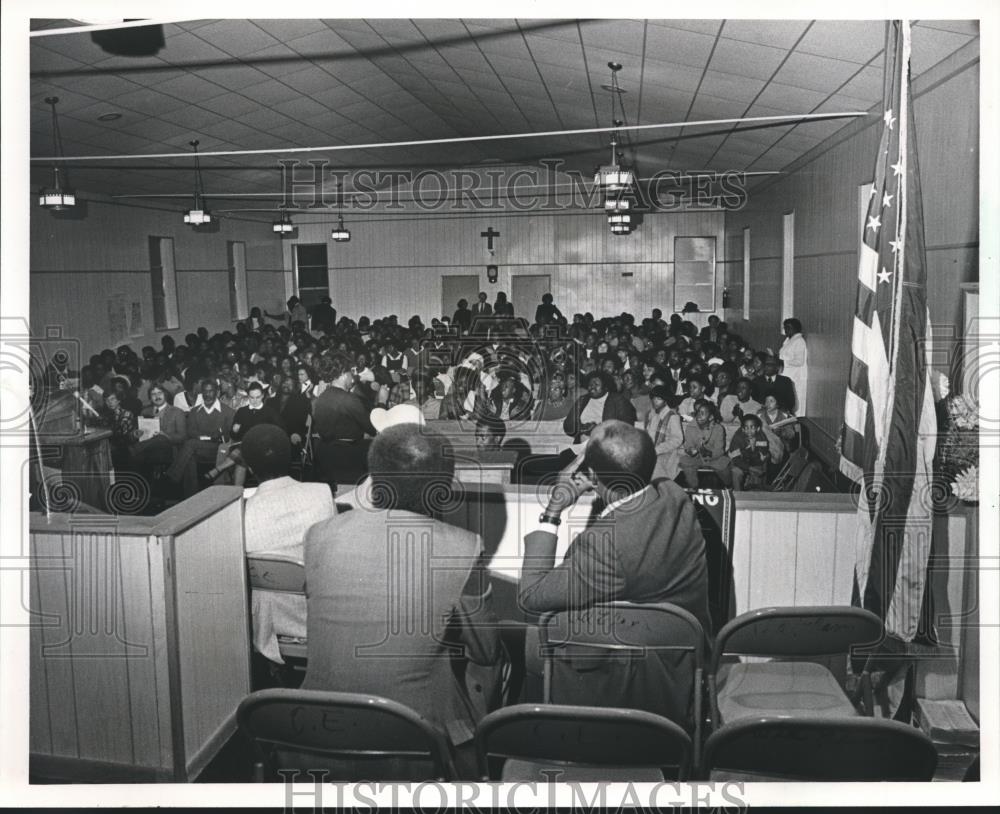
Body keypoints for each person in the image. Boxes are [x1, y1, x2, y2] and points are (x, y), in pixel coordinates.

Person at [301, 425, 504, 773]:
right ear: (441, 490)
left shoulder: (318, 534)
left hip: (312, 731)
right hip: (411, 740)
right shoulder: (464, 545)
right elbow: (486, 650)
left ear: (375, 482)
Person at [518, 420, 712, 724]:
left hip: (638, 681)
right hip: (683, 662)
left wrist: (554, 510)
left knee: (530, 635)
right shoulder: (673, 495)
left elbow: (530, 595)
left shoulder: (606, 547)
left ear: (591, 474)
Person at [242, 424, 336, 665]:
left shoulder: (242, 514)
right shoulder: (322, 493)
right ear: (292, 457)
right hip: (320, 618)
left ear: (249, 467)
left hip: (268, 627)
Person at [165, 379, 236, 497]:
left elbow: (228, 436)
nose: (207, 395)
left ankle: (172, 477)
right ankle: (192, 495)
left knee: (190, 445)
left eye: (210, 391)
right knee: (190, 454)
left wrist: (216, 436)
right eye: (204, 392)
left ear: (217, 392)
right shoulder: (194, 411)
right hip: (198, 448)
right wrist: (208, 436)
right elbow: (191, 432)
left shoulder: (228, 412)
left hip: (218, 450)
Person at [563, 371, 636, 442]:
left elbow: (626, 427)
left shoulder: (618, 400)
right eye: (590, 384)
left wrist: (599, 429)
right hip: (582, 445)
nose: (592, 387)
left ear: (605, 387)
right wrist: (582, 428)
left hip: (607, 444)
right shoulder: (582, 400)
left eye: (596, 384)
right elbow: (568, 427)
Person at [677, 399, 732, 488]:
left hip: (714, 459)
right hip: (697, 458)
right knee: (685, 462)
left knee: (724, 466)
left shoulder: (718, 428)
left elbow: (720, 450)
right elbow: (688, 445)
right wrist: (690, 451)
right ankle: (693, 487)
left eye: (702, 413)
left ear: (710, 417)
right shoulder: (690, 427)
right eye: (697, 413)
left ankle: (728, 486)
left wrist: (709, 453)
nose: (698, 416)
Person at [130, 383, 186, 467]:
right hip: (147, 449)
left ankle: (135, 449)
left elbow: (182, 437)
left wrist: (166, 435)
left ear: (165, 395)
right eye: (153, 394)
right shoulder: (145, 411)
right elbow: (134, 433)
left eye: (160, 393)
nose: (157, 396)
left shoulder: (177, 412)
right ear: (150, 398)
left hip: (168, 449)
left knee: (161, 438)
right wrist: (135, 434)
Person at [728, 414, 780, 491]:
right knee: (736, 472)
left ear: (758, 428)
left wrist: (758, 455)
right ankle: (737, 495)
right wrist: (749, 468)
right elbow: (736, 460)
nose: (749, 430)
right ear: (742, 429)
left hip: (755, 462)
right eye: (746, 428)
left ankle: (755, 493)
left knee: (757, 482)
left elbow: (763, 455)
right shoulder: (737, 438)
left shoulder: (761, 437)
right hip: (739, 463)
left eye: (752, 427)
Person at [644, 384, 684, 481]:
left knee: (655, 470)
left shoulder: (672, 416)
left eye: (659, 398)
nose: (655, 401)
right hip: (652, 450)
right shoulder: (652, 414)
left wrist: (657, 450)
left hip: (667, 453)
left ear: (665, 400)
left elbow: (677, 440)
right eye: (653, 398)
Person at [779, 317, 808, 415]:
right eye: (785, 327)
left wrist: (784, 362)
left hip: (795, 375)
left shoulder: (799, 341)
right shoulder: (789, 340)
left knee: (794, 399)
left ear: (795, 328)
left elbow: (799, 361)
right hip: (787, 373)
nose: (786, 330)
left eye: (788, 327)